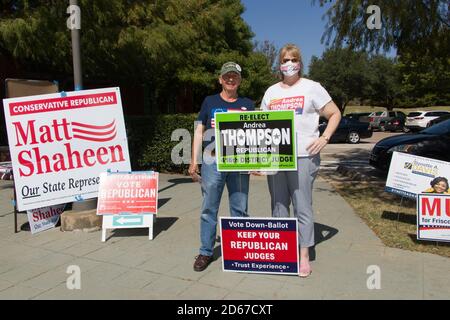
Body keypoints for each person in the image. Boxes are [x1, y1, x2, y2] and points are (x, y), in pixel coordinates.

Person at [260, 44, 341, 277]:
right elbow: (262, 125)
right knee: (278, 205)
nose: (289, 63)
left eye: (293, 59)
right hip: (276, 157)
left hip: (304, 156)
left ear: (300, 62)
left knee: (302, 206)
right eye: (285, 60)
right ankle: (284, 253)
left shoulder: (312, 88)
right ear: (279, 64)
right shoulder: (271, 92)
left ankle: (303, 256)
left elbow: (334, 113)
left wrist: (324, 138)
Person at [189, 62, 255, 272]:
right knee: (209, 208)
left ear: (240, 80)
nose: (230, 79)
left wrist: (257, 161)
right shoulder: (209, 101)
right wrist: (193, 160)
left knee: (240, 208)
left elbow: (255, 135)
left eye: (235, 76)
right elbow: (199, 131)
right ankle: (206, 251)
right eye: (227, 76)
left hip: (239, 162)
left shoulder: (248, 103)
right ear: (220, 79)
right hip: (212, 161)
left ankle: (239, 251)